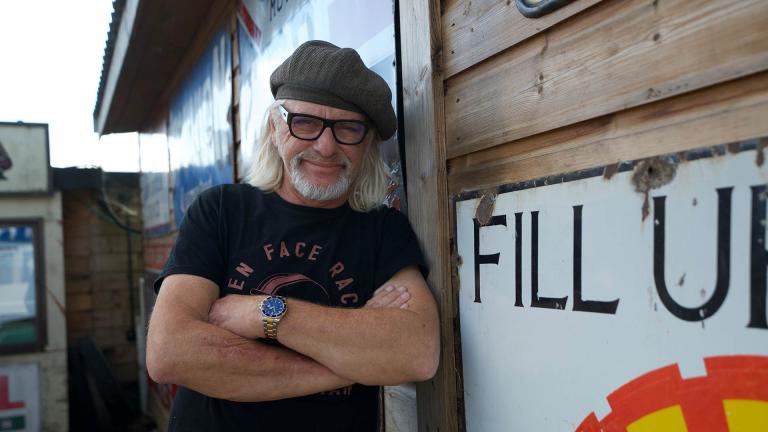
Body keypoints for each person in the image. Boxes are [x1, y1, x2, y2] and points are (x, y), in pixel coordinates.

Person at [146, 40, 440, 431]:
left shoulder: (382, 231)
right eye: (304, 123)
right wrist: (348, 365)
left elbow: (416, 351)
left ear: (366, 143)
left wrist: (263, 313)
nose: (325, 146)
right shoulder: (220, 210)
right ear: (274, 128)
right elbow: (170, 352)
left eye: (348, 128)